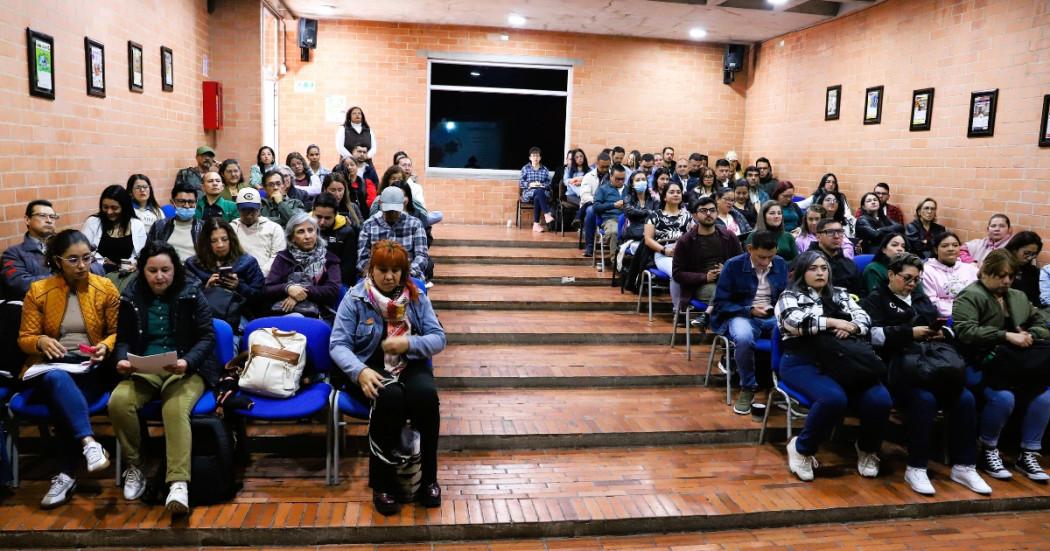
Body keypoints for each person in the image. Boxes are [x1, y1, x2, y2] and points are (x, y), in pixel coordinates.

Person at [330, 240, 446, 515]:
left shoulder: (416, 296)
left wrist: (409, 344)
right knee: (390, 396)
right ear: (371, 269)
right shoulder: (355, 297)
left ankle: (428, 478)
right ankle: (383, 484)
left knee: (426, 396)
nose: (389, 276)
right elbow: (338, 344)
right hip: (368, 365)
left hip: (408, 363)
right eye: (382, 269)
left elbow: (438, 338)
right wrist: (360, 371)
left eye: (396, 270)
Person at [860, 253, 991, 496]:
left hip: (931, 363)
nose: (912, 284)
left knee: (965, 399)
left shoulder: (919, 298)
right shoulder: (875, 300)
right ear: (891, 275)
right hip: (899, 368)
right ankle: (916, 467)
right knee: (925, 400)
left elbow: (940, 324)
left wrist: (942, 334)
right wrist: (909, 333)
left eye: (916, 279)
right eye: (907, 278)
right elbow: (872, 335)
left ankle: (964, 465)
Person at [108, 241, 218, 514]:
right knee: (118, 402)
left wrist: (187, 361)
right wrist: (122, 358)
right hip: (145, 367)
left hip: (185, 367)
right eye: (153, 270)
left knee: (175, 408)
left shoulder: (191, 292)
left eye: (166, 270)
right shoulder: (131, 295)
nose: (160, 277)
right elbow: (122, 339)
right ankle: (136, 465)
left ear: (175, 269)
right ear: (142, 271)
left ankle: (178, 482)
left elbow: (207, 337)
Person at [17, 229, 119, 508]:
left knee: (61, 396)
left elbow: (117, 332)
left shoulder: (105, 287)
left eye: (87, 258)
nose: (82, 265)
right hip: (51, 365)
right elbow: (24, 339)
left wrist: (106, 347)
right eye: (73, 260)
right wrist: (41, 341)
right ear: (57, 260)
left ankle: (64, 474)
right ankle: (89, 443)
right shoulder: (39, 290)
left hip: (89, 366)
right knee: (56, 378)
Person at [775, 251, 891, 482]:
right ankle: (802, 449)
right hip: (802, 361)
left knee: (880, 399)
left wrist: (854, 327)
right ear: (801, 272)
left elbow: (864, 318)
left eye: (824, 268)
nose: (820, 273)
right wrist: (834, 322)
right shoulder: (789, 296)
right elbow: (794, 321)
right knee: (833, 399)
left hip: (842, 359)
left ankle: (867, 449)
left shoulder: (840, 294)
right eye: (813, 268)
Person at [953, 249, 1050, 481]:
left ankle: (1028, 452)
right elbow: (965, 331)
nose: (1006, 281)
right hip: (980, 362)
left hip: (1015, 362)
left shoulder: (1017, 296)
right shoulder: (969, 296)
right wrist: (1005, 336)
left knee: (1045, 397)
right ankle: (988, 449)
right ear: (985, 272)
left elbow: (1042, 322)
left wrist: (1030, 335)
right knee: (1004, 398)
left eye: (1010, 276)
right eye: (1000, 275)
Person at [711, 230, 787, 415]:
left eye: (771, 256)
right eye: (761, 257)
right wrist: (750, 310)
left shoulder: (780, 264)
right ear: (750, 249)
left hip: (772, 315)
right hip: (742, 313)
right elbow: (721, 303)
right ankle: (748, 387)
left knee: (797, 334)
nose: (766, 262)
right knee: (744, 337)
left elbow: (786, 295)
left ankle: (785, 388)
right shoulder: (733, 266)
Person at [672, 196, 742, 322]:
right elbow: (677, 274)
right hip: (701, 285)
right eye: (703, 211)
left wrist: (726, 269)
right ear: (694, 215)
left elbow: (743, 264)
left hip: (728, 281)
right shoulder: (686, 241)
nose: (708, 214)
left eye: (712, 210)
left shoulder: (729, 236)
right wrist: (704, 277)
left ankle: (707, 319)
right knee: (725, 294)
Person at [264, 212, 341, 319]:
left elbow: (333, 290)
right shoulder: (283, 257)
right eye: (301, 231)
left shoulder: (330, 259)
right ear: (292, 238)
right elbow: (268, 288)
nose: (307, 236)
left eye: (311, 230)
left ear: (316, 233)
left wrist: (300, 293)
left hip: (320, 314)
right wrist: (288, 288)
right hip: (284, 312)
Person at [185, 217, 265, 309]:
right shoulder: (193, 264)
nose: (220, 245)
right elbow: (186, 297)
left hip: (239, 312)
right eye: (214, 241)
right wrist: (206, 289)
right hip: (204, 312)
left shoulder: (248, 262)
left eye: (224, 239)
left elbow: (260, 297)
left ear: (231, 239)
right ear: (206, 243)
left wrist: (239, 286)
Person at [3, 200, 68, 301]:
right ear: (27, 220)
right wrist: (64, 278)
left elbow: (94, 267)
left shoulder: (66, 244)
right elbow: (19, 284)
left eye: (52, 217)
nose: (49, 220)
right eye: (42, 215)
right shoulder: (13, 253)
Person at [82, 185, 147, 273]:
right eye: (105, 207)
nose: (109, 212)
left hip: (126, 275)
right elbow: (84, 251)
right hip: (99, 273)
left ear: (124, 207)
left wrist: (133, 264)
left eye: (114, 208)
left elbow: (141, 254)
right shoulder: (93, 222)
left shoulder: (137, 225)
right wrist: (103, 261)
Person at [922, 232, 979, 319]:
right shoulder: (927, 271)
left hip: (974, 314)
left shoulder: (970, 269)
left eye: (955, 245)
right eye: (945, 246)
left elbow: (980, 296)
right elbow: (932, 302)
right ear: (935, 250)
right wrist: (961, 312)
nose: (951, 249)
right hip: (946, 319)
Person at [230, 188, 286, 277]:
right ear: (238, 209)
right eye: (244, 209)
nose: (248, 215)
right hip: (238, 276)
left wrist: (259, 275)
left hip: (268, 277)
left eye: (252, 209)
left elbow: (278, 256)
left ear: (260, 208)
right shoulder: (231, 228)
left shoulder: (274, 228)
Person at [642, 180, 689, 281]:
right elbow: (648, 240)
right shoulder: (654, 216)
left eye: (678, 192)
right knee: (678, 273)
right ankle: (679, 297)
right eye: (672, 192)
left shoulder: (687, 215)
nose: (676, 194)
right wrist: (664, 250)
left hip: (684, 253)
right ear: (664, 197)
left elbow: (694, 236)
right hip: (663, 254)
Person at [147, 183, 204, 263]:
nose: (187, 206)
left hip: (195, 272)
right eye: (181, 201)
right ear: (172, 202)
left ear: (196, 202)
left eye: (191, 202)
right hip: (166, 271)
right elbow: (148, 253)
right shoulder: (159, 226)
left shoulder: (204, 228)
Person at [313, 192, 361, 286]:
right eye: (318, 217)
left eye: (327, 218)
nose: (322, 222)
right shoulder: (303, 228)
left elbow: (348, 269)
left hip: (336, 282)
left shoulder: (346, 232)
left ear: (335, 215)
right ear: (313, 211)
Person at [807, 219, 862, 296]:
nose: (836, 236)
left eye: (840, 232)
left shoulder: (849, 264)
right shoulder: (806, 263)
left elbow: (859, 293)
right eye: (830, 232)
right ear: (818, 236)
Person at [592, 164, 630, 262]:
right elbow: (595, 208)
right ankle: (616, 263)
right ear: (611, 176)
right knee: (614, 232)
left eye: (623, 179)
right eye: (618, 179)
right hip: (611, 219)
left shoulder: (629, 189)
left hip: (628, 219)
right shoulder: (602, 189)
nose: (621, 181)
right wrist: (613, 205)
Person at [577, 153, 611, 257]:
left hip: (609, 206)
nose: (605, 169)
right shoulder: (588, 176)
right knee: (591, 211)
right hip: (593, 205)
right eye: (602, 166)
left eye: (607, 167)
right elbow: (584, 196)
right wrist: (599, 201)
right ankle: (589, 246)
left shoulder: (613, 176)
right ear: (596, 164)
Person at [517, 146, 554, 233]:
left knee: (538, 194)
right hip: (528, 193)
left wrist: (542, 185)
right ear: (530, 158)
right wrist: (530, 184)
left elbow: (548, 184)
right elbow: (521, 183)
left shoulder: (545, 169)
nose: (535, 158)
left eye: (537, 156)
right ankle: (547, 214)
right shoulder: (525, 168)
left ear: (540, 157)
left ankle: (536, 225)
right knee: (538, 191)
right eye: (533, 156)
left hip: (542, 193)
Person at [1003, 231, 1042, 306]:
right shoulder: (1000, 265)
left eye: (1033, 254)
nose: (1030, 258)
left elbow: (1035, 299)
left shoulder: (1033, 271)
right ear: (1014, 249)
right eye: (1026, 253)